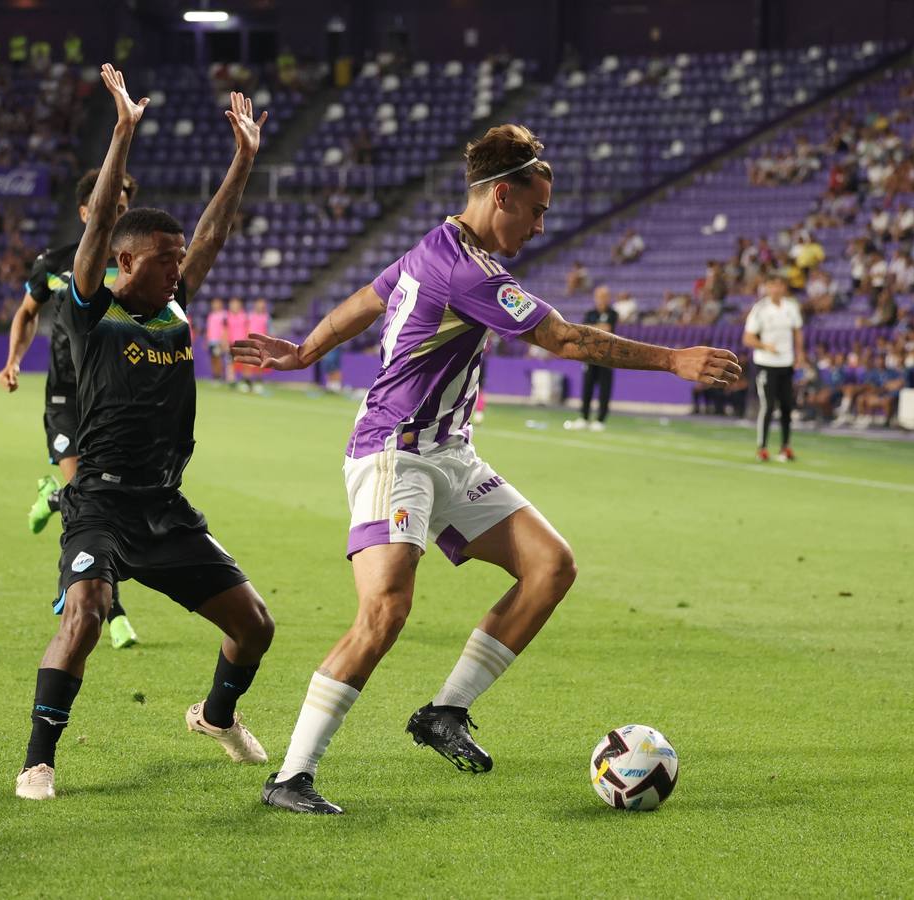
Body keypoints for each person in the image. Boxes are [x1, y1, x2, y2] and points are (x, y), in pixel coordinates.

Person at [232, 123, 740, 814]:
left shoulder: (434, 247)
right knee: (384, 610)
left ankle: (445, 712)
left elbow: (366, 300)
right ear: (502, 195)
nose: (539, 225)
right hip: (395, 450)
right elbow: (561, 337)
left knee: (551, 566)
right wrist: (673, 359)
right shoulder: (466, 270)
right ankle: (291, 777)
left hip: (450, 453)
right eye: (536, 210)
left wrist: (304, 351)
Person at [15, 65, 274, 801]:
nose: (177, 270)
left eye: (177, 260)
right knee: (89, 612)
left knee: (255, 625)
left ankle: (215, 716)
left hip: (165, 506)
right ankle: (38, 760)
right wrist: (122, 132)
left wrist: (244, 161)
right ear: (124, 262)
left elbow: (217, 231)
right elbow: (97, 224)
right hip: (99, 501)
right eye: (164, 261)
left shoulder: (175, 307)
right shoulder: (91, 307)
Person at [0, 164, 143, 650]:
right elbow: (26, 313)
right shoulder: (55, 266)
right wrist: (14, 360)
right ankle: (113, 611)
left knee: (106, 500)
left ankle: (52, 494)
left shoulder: (135, 268)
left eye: (124, 210)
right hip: (65, 398)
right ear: (87, 211)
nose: (117, 215)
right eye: (109, 207)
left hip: (116, 404)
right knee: (92, 500)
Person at [744, 272, 804, 462]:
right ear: (767, 287)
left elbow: (797, 332)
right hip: (766, 363)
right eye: (772, 285)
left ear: (784, 287)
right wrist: (764, 346)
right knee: (768, 406)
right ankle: (762, 447)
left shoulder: (791, 307)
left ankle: (785, 446)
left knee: (787, 406)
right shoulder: (760, 309)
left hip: (786, 363)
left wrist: (799, 353)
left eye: (780, 285)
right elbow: (748, 338)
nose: (776, 289)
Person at [569, 284, 617, 430]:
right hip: (590, 356)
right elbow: (584, 331)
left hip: (606, 357)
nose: (601, 300)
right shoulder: (590, 313)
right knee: (587, 387)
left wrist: (592, 328)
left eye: (604, 297)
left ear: (608, 298)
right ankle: (583, 417)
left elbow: (607, 329)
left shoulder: (612, 313)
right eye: (599, 297)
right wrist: (596, 327)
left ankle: (600, 420)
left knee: (604, 389)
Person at [205, 297, 228, 380]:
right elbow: (209, 329)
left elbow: (226, 328)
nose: (215, 305)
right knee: (213, 359)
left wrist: (224, 340)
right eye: (213, 303)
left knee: (219, 358)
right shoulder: (211, 315)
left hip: (219, 341)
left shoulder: (224, 314)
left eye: (216, 303)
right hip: (211, 341)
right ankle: (215, 375)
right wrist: (206, 340)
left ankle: (221, 376)